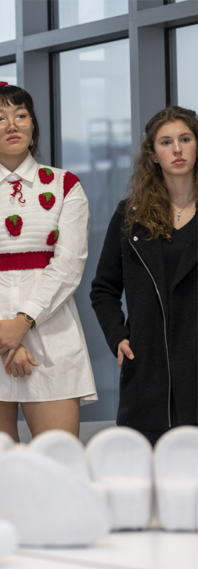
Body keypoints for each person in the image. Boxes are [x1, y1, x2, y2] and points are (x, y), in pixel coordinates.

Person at [0, 82, 97, 442]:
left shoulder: (66, 186)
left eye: (20, 115)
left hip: (51, 327)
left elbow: (69, 264)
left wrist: (23, 322)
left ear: (32, 125)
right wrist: (4, 335)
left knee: (60, 461)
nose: (11, 124)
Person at [91, 106, 198, 446]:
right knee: (148, 486)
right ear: (153, 154)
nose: (177, 150)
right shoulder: (130, 214)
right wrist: (118, 336)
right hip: (148, 372)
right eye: (166, 142)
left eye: (185, 139)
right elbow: (104, 288)